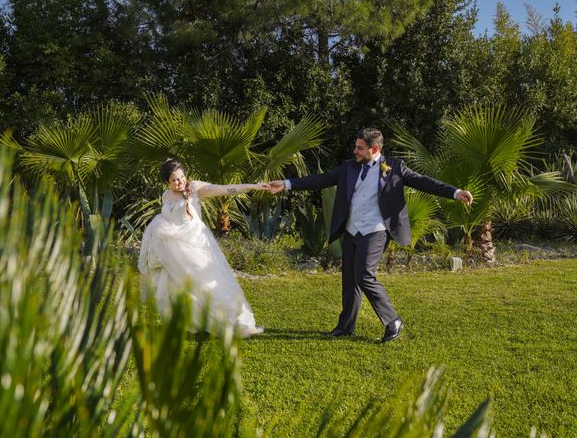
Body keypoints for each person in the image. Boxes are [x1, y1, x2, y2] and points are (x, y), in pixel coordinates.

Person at [268, 128, 473, 343]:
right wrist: (286, 184)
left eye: (359, 148)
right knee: (350, 279)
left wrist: (454, 192)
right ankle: (346, 326)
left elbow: (424, 181)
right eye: (356, 146)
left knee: (364, 274)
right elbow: (322, 179)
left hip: (376, 229)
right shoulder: (348, 167)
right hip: (351, 228)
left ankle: (392, 320)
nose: (355, 151)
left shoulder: (395, 167)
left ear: (374, 149)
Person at [138, 158, 269, 338]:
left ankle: (231, 321)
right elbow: (169, 221)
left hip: (197, 246)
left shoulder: (194, 188)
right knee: (178, 287)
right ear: (167, 182)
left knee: (208, 284)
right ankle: (189, 321)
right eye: (175, 180)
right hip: (174, 251)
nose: (180, 182)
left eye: (182, 177)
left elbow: (225, 189)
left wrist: (252, 186)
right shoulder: (166, 196)